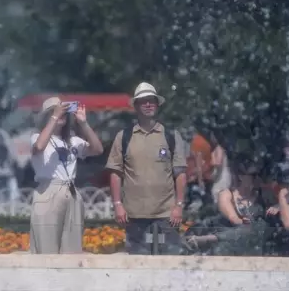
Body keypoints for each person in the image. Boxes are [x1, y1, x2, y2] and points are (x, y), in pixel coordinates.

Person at [106, 82, 188, 255]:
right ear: (136, 106)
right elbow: (115, 173)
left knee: (170, 263)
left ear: (157, 105)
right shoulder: (124, 137)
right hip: (134, 215)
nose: (149, 104)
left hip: (166, 215)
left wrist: (179, 206)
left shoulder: (171, 136)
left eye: (152, 101)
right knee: (138, 264)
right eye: (144, 101)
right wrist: (117, 204)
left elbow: (180, 174)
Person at [29, 97, 103, 254]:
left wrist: (83, 123)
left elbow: (97, 150)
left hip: (71, 190)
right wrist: (55, 117)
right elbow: (40, 146)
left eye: (63, 110)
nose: (60, 113)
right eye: (53, 111)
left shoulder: (72, 140)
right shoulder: (37, 137)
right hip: (48, 189)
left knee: (72, 248)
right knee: (46, 247)